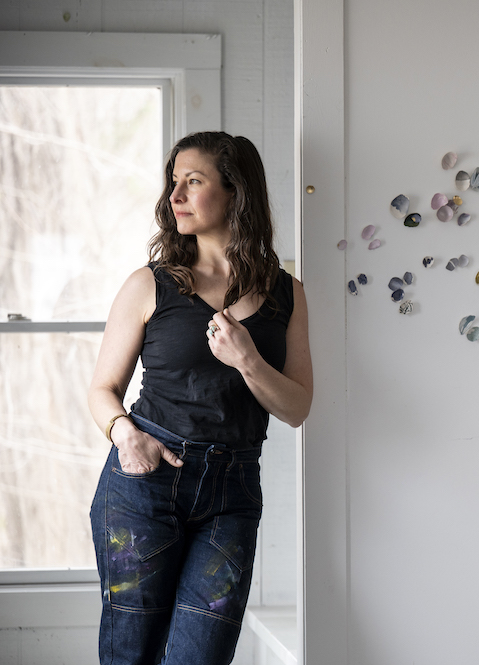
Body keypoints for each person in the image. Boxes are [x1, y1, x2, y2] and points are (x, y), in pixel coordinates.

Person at [88, 131, 312, 664]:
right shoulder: (150, 285)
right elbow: (103, 389)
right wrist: (126, 436)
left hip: (232, 493)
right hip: (145, 481)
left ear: (235, 192)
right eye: (174, 183)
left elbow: (297, 408)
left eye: (193, 181)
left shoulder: (287, 293)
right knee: (131, 654)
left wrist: (249, 361)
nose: (176, 196)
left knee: (201, 657)